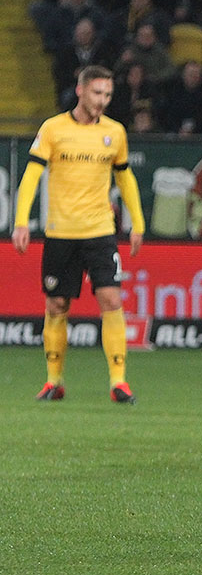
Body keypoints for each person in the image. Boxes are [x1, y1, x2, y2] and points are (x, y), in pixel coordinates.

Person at [11, 65, 146, 404]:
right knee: (57, 304)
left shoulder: (115, 132)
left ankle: (119, 382)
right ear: (80, 91)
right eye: (97, 93)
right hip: (61, 232)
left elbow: (125, 177)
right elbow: (31, 175)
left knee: (111, 299)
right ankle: (54, 381)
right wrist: (21, 221)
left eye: (108, 95)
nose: (103, 101)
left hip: (100, 231)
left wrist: (138, 223)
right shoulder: (53, 128)